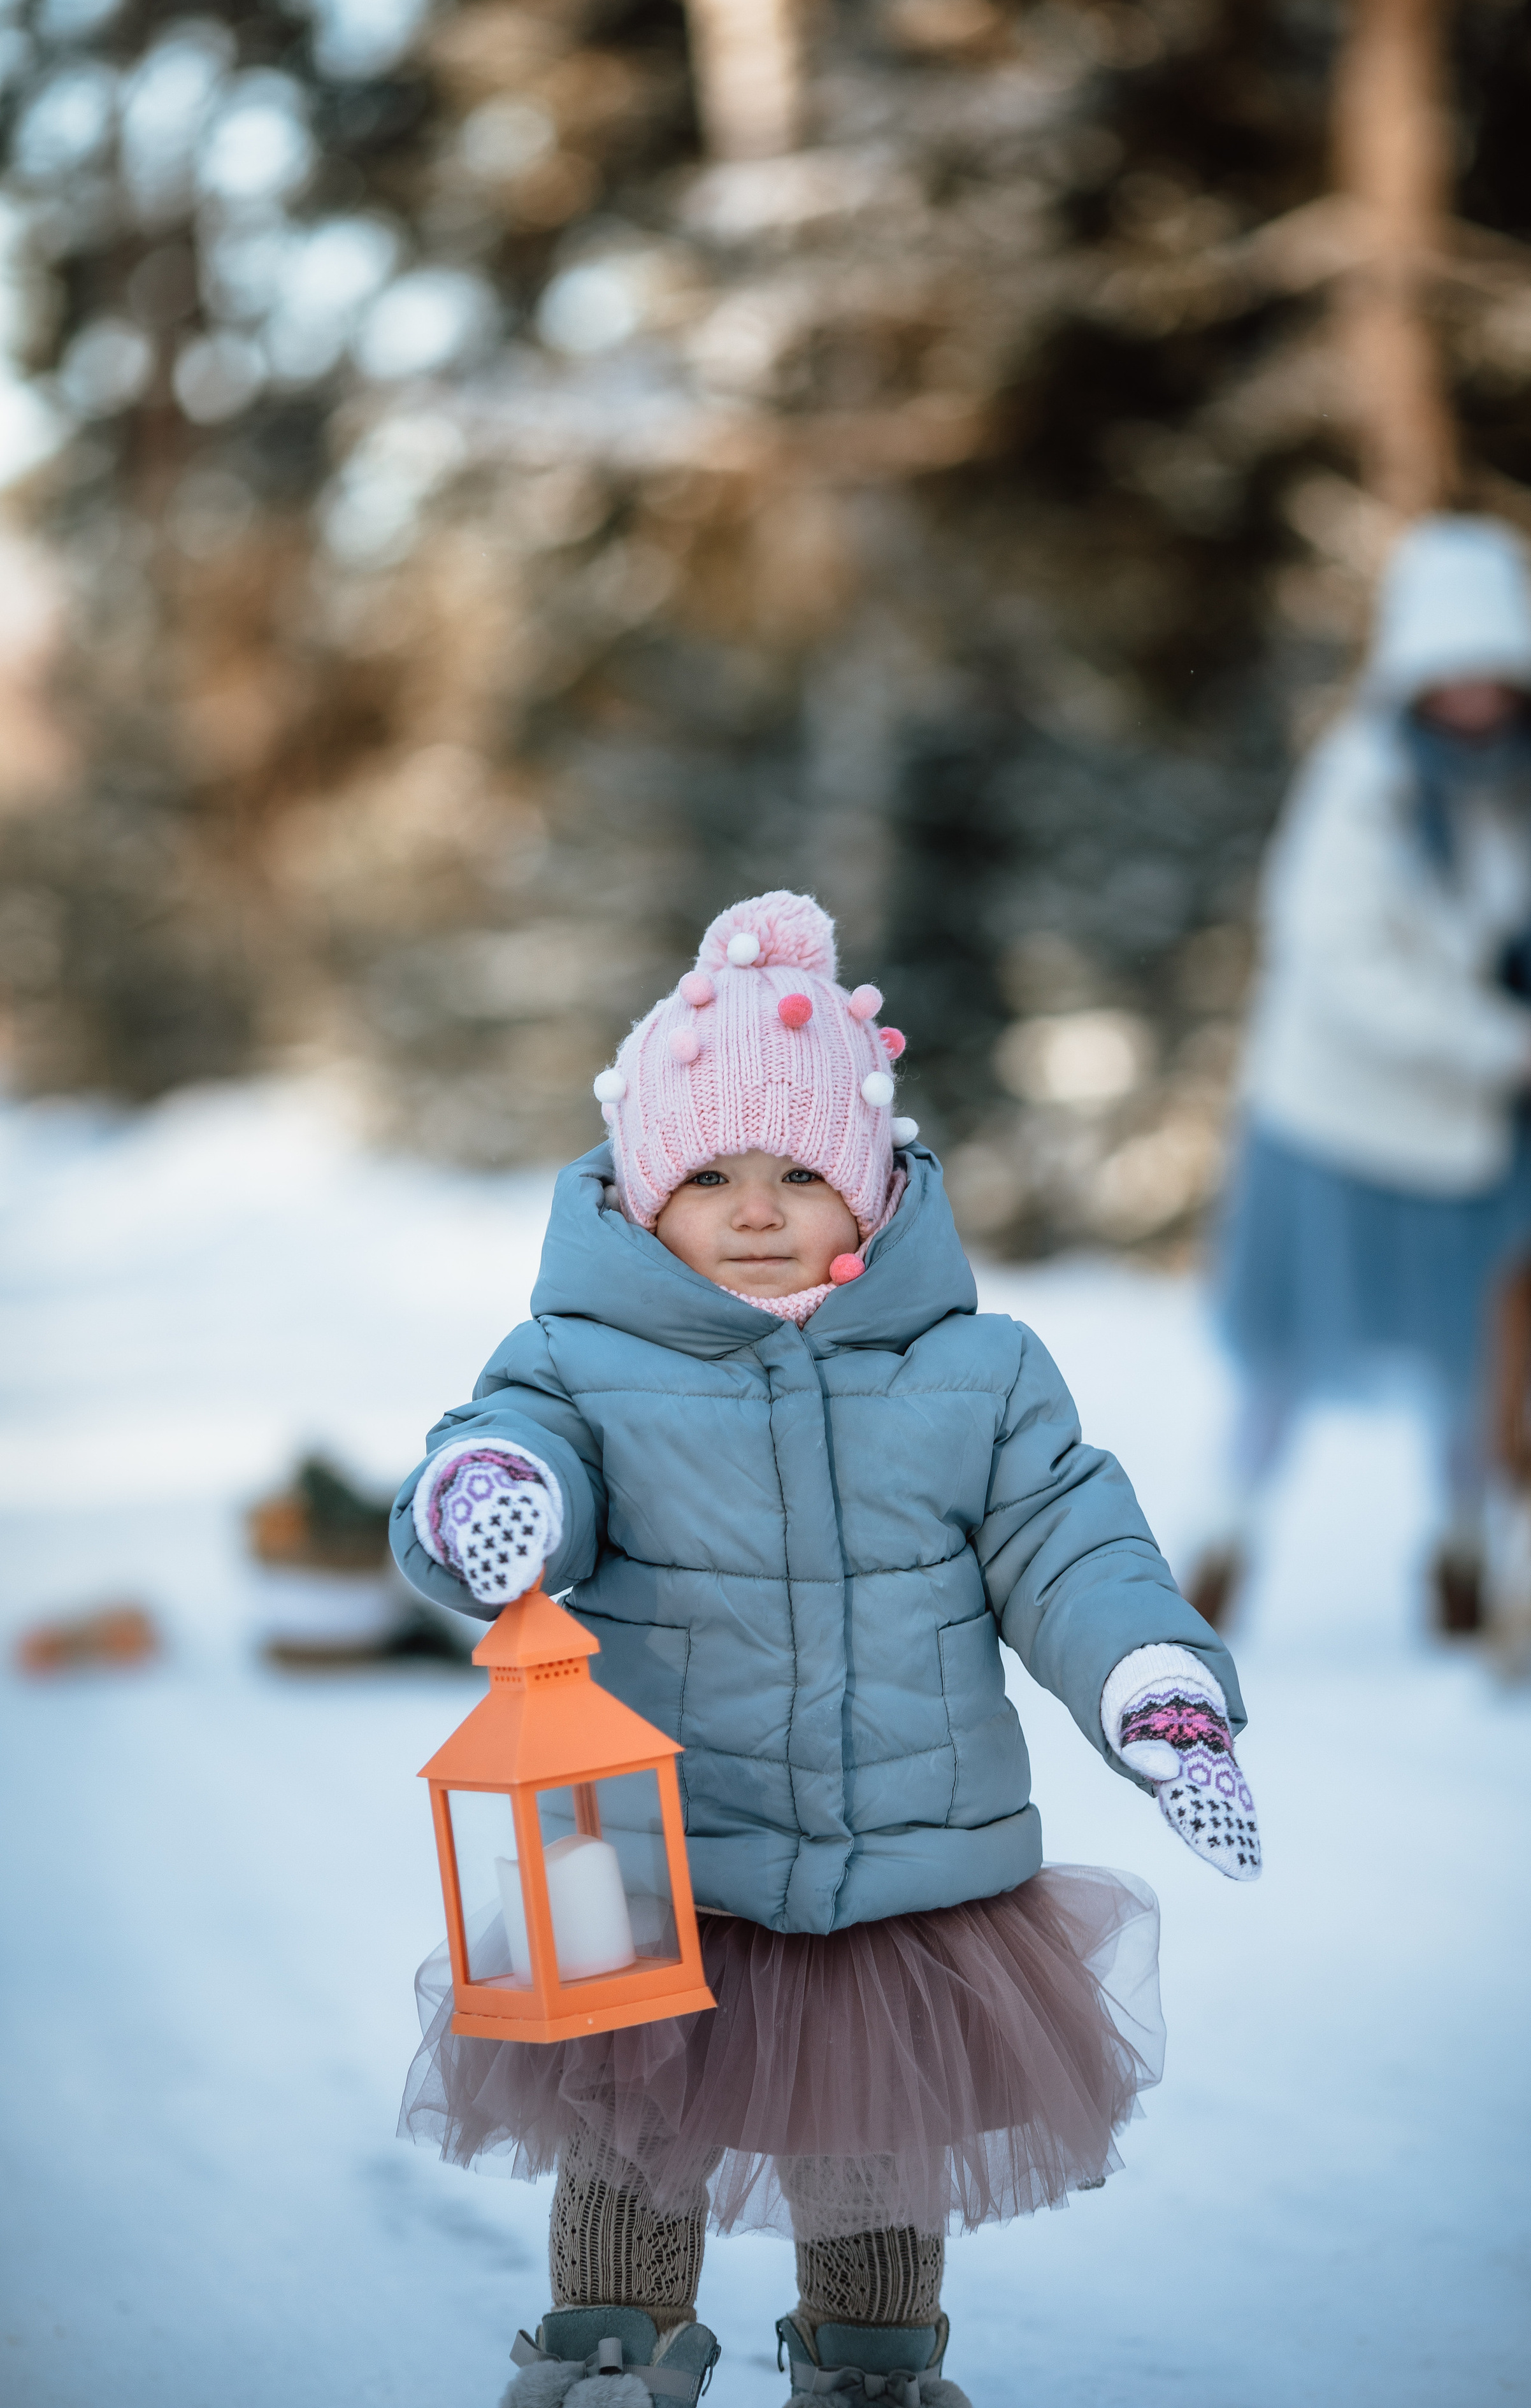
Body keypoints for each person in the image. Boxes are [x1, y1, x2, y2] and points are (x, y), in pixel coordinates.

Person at [390, 890, 1260, 2408]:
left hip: (898, 1876)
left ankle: (870, 2372)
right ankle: (609, 2356)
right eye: (707, 1174)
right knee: (628, 2137)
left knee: (873, 2149)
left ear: (869, 1188)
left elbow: (1068, 1544)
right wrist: (491, 1497)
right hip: (655, 1864)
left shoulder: (977, 1374)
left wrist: (1153, 1685)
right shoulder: (580, 1365)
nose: (754, 1210)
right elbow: (522, 1450)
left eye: (799, 1171)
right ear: (639, 1193)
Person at [1197, 517, 1531, 1635]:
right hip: (1345, 1118)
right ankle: (1223, 1541)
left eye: (1493, 668)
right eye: (1451, 672)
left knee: (1484, 1357)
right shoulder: (1361, 777)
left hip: (1511, 1129)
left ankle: (1462, 1555)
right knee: (1282, 1356)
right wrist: (1505, 1038)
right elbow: (1340, 957)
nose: (1475, 695)